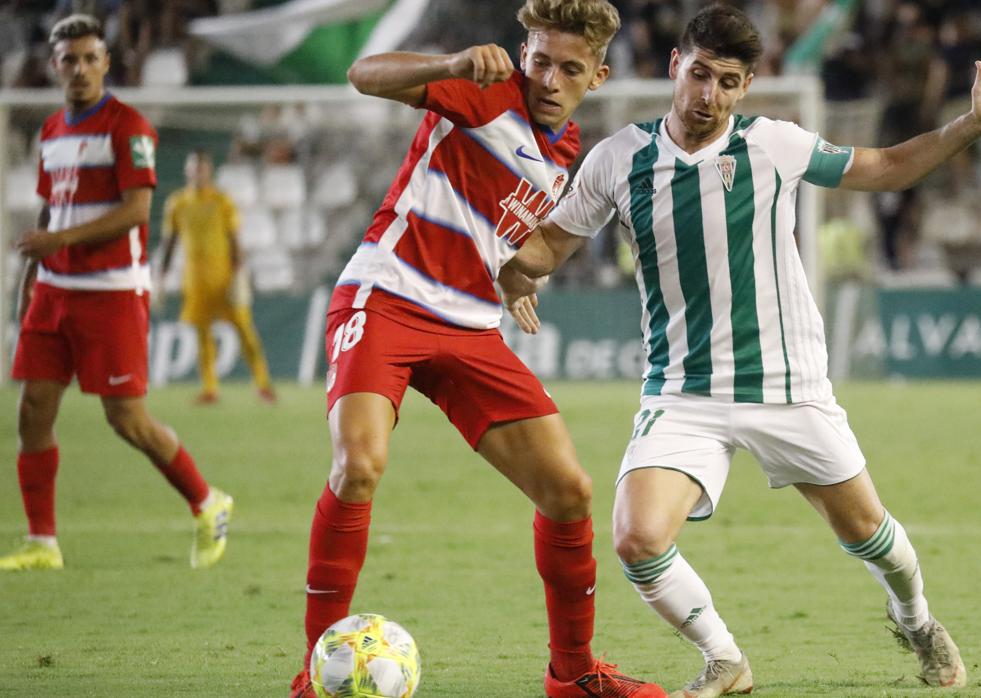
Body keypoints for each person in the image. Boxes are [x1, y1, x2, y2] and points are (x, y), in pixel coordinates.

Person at [503, 5, 981, 695]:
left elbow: (884, 168)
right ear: (674, 66)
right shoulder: (619, 158)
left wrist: (971, 122)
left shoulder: (773, 145)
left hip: (787, 386)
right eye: (700, 74)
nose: (709, 95)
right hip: (682, 391)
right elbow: (551, 243)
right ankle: (724, 659)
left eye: (728, 82)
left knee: (870, 534)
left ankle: (916, 621)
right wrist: (507, 269)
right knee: (637, 539)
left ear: (746, 87)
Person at [288, 2, 664, 697]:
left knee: (569, 490)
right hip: (386, 298)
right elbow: (363, 73)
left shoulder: (564, 150)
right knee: (358, 466)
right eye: (540, 61)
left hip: (468, 326)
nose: (550, 79)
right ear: (523, 55)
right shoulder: (483, 92)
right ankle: (316, 671)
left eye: (570, 69)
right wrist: (453, 62)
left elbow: (495, 226)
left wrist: (511, 275)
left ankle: (572, 673)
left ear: (598, 76)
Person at [3, 14, 233, 573]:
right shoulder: (52, 131)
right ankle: (42, 543)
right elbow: (52, 207)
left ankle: (207, 502)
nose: (80, 69)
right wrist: (35, 274)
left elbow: (135, 210)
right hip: (54, 290)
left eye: (90, 58)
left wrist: (60, 240)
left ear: (106, 62)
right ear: (54, 66)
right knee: (33, 411)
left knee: (127, 420)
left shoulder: (128, 127)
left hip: (110, 292)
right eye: (69, 60)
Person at [157, 150, 277, 405]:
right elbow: (170, 242)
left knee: (244, 330)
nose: (197, 173)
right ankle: (210, 388)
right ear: (187, 171)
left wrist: (239, 273)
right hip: (195, 279)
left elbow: (234, 238)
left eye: (201, 168)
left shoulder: (222, 201)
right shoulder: (177, 203)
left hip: (224, 277)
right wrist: (161, 276)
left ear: (208, 170)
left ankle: (263, 383)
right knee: (202, 335)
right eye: (193, 168)